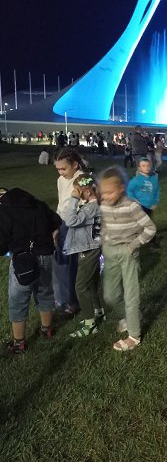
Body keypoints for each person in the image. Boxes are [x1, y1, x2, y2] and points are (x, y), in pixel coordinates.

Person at [99, 166, 156, 351]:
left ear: (121, 188)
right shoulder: (103, 205)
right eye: (103, 192)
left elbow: (150, 228)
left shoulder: (131, 206)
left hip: (128, 254)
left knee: (130, 295)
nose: (106, 196)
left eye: (110, 192)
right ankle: (131, 316)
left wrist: (133, 245)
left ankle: (134, 335)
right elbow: (104, 227)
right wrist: (103, 243)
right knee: (110, 295)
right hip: (110, 253)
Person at [0, 187, 61, 354]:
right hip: (46, 256)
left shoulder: (4, 211)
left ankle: (18, 343)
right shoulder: (39, 205)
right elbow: (56, 221)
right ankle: (47, 329)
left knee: (18, 300)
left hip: (23, 261)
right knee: (45, 292)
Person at [61, 174, 104, 337]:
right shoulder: (94, 205)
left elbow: (70, 220)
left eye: (77, 191)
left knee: (80, 286)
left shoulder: (90, 208)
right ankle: (99, 310)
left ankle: (90, 324)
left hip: (89, 249)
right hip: (92, 246)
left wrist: (73, 199)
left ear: (86, 191)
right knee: (92, 281)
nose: (75, 194)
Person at [53, 148, 87, 315]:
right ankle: (62, 297)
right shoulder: (61, 180)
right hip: (62, 223)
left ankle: (73, 302)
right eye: (58, 169)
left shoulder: (83, 179)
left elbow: (87, 207)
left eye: (64, 168)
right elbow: (61, 204)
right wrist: (56, 225)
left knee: (73, 265)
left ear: (75, 164)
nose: (61, 172)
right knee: (61, 262)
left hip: (76, 226)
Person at [127, 158, 160, 247]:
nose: (146, 168)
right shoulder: (136, 180)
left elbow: (156, 191)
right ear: (139, 168)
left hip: (149, 206)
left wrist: (155, 203)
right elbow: (129, 191)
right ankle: (137, 241)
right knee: (140, 224)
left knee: (149, 224)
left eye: (148, 165)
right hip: (139, 206)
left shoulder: (153, 179)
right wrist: (135, 200)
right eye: (143, 166)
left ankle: (152, 241)